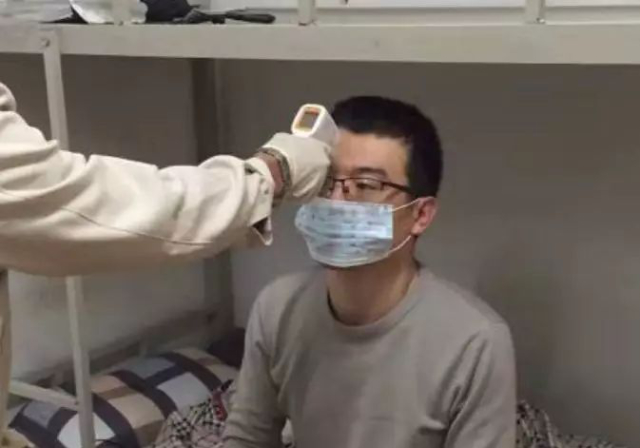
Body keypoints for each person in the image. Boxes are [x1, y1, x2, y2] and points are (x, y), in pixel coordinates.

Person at [0, 82, 331, 447]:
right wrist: (271, 175)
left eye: (366, 183)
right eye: (337, 184)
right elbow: (82, 205)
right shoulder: (278, 306)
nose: (344, 197)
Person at [223, 96, 517, 448]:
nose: (337, 201)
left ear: (421, 214)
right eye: (326, 180)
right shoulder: (277, 308)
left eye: (366, 185)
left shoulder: (475, 343)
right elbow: (247, 436)